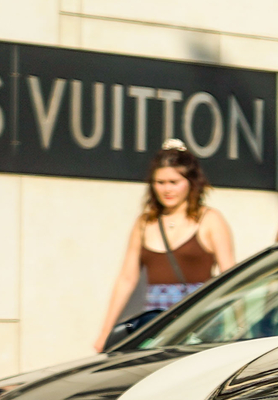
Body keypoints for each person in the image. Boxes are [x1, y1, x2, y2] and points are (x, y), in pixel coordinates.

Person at [92, 142, 237, 350]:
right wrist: (105, 332)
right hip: (157, 327)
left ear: (190, 182)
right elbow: (126, 278)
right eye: (159, 182)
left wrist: (239, 328)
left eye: (173, 182)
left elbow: (230, 276)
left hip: (201, 325)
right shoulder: (144, 223)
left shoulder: (210, 219)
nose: (166, 189)